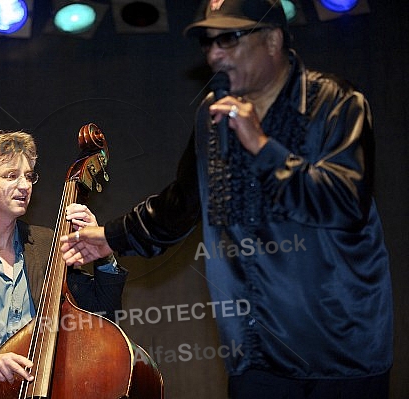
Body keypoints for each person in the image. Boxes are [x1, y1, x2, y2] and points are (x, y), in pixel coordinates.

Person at [60, 1, 393, 398]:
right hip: (257, 352)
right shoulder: (213, 116)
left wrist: (263, 147)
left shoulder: (337, 104)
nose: (214, 54)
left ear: (272, 40)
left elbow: (344, 203)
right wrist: (109, 237)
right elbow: (180, 204)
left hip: (340, 351)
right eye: (208, 42)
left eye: (229, 39)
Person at [0, 130, 127, 399]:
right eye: (10, 176)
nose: (25, 185)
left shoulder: (48, 243)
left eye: (28, 176)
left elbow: (102, 315)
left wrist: (103, 253)